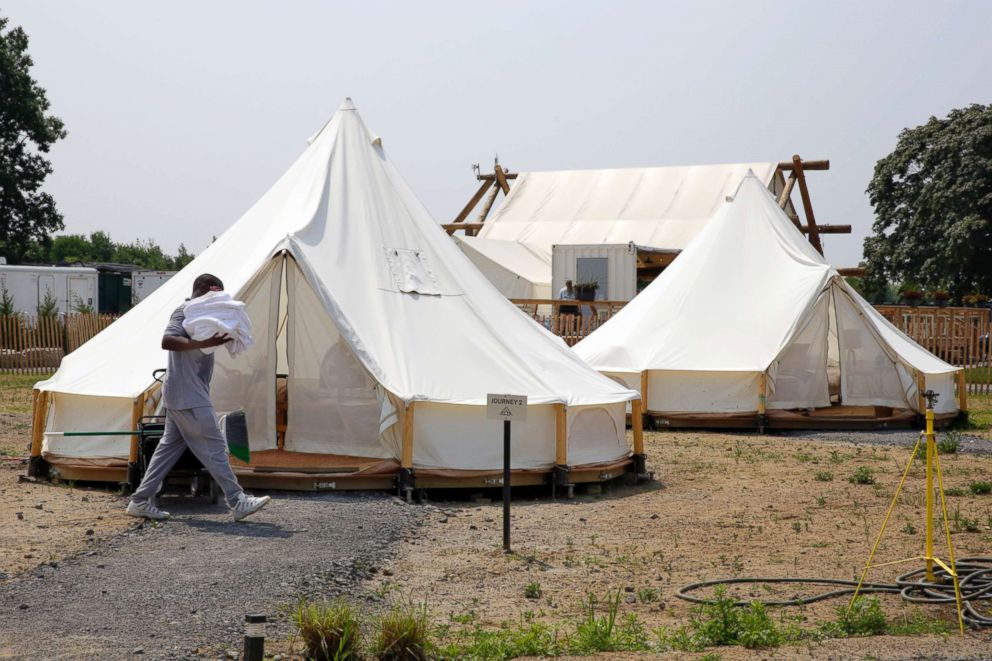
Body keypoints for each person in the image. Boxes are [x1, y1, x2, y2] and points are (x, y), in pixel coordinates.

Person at [126, 273, 271, 522]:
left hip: (186, 393)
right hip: (189, 394)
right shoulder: (185, 312)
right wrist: (202, 341)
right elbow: (167, 341)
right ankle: (237, 500)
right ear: (203, 290)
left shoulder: (203, 315)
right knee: (214, 444)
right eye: (214, 295)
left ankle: (139, 501)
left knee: (167, 450)